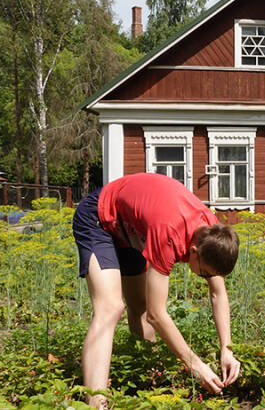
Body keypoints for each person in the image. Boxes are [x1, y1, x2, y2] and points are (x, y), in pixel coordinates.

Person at [72, 172, 241, 408]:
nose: (207, 278)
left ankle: (148, 380)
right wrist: (196, 365)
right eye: (204, 273)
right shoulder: (169, 235)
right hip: (99, 219)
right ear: (193, 251)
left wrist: (227, 349)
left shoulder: (212, 233)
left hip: (133, 227)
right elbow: (158, 314)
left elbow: (218, 293)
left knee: (139, 306)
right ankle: (96, 403)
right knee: (110, 308)